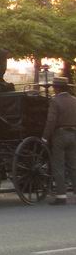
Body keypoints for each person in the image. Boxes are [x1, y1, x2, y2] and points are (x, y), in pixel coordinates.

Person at [42, 76, 76, 205]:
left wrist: (45, 137)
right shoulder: (74, 100)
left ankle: (61, 195)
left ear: (56, 88)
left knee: (58, 165)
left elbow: (51, 121)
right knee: (73, 166)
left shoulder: (55, 101)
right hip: (74, 134)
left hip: (60, 135)